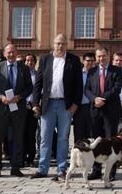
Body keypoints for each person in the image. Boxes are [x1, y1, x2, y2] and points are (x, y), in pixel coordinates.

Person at [31, 34, 83, 181]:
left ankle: (61, 169)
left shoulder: (73, 60)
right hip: (48, 104)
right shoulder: (45, 59)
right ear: (53, 45)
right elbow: (38, 84)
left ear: (66, 45)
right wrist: (36, 103)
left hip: (65, 105)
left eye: (63, 44)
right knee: (44, 138)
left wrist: (75, 104)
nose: (60, 46)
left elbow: (79, 86)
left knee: (63, 138)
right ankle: (42, 169)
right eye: (57, 43)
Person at [0, 44, 32, 177]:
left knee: (18, 138)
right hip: (1, 108)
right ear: (4, 53)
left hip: (18, 108)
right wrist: (0, 97)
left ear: (16, 53)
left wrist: (19, 97)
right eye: (9, 52)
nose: (11, 55)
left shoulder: (23, 68)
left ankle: (16, 166)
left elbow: (29, 87)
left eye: (13, 52)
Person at [85, 47, 122, 179]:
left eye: (103, 56)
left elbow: (117, 88)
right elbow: (87, 89)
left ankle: (111, 172)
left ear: (108, 56)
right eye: (99, 56)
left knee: (110, 141)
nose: (101, 59)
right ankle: (96, 170)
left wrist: (102, 98)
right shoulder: (91, 71)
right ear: (96, 58)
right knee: (96, 141)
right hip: (95, 111)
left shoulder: (116, 70)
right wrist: (94, 99)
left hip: (110, 111)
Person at [74, 52, 97, 142]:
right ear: (83, 61)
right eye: (88, 61)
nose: (90, 63)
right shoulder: (77, 74)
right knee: (79, 134)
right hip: (80, 107)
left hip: (93, 108)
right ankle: (78, 154)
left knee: (92, 135)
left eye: (92, 61)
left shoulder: (97, 74)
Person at [23, 53, 39, 167]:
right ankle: (22, 157)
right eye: (27, 60)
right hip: (21, 107)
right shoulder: (21, 74)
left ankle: (31, 158)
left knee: (31, 134)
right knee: (21, 134)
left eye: (31, 60)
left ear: (35, 62)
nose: (29, 62)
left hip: (33, 107)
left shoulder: (38, 75)